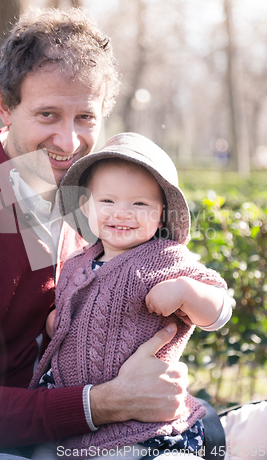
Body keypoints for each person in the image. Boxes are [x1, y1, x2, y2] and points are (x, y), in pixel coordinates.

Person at [0, 7, 200, 460]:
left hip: (88, 424)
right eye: (47, 115)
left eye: (85, 118)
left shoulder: (96, 204)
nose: (69, 140)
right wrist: (110, 402)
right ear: (4, 104)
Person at [29, 132, 231, 460]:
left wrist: (186, 291)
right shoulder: (77, 262)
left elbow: (220, 309)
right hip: (76, 412)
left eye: (139, 203)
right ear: (85, 205)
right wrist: (60, 322)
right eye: (107, 201)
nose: (123, 213)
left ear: (162, 212)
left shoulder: (166, 258)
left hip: (141, 424)